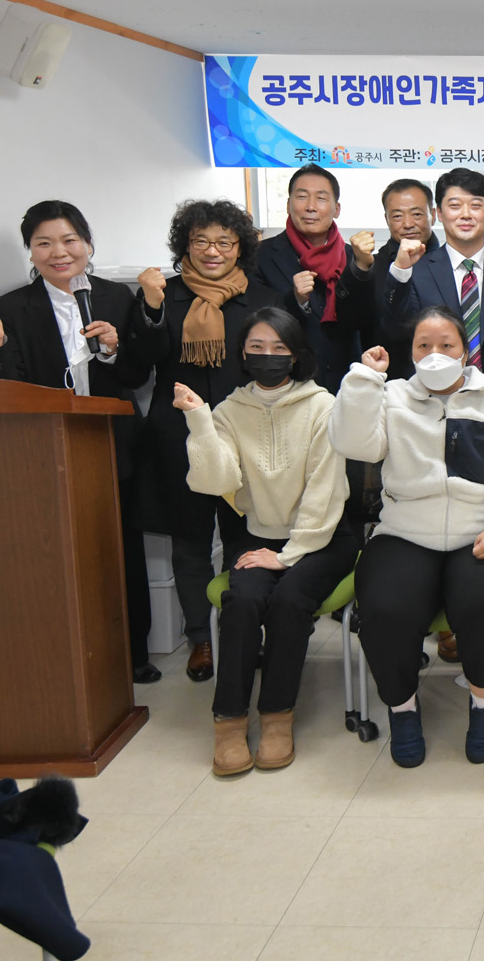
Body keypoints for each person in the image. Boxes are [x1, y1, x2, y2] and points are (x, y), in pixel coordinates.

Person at [329, 307, 484, 769]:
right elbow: (352, 444)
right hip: (405, 531)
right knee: (385, 608)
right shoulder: (392, 397)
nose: (435, 354)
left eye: (446, 345)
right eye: (423, 346)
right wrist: (364, 381)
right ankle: (403, 710)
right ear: (410, 353)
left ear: (465, 351)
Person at [0, 200, 160, 684]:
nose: (59, 252)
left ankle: (133, 651)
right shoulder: (11, 308)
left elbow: (137, 375)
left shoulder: (115, 297)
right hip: (48, 449)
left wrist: (114, 349)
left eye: (69, 240)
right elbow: (4, 390)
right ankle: (71, 655)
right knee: (60, 551)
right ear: (31, 252)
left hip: (112, 442)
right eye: (44, 243)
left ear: (88, 244)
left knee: (121, 547)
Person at [175, 308, 356, 776]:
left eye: (279, 348)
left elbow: (325, 490)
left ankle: (277, 716)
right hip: (257, 536)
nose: (268, 356)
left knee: (290, 600)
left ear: (295, 356)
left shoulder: (324, 406)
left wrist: (288, 555)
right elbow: (216, 481)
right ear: (242, 353)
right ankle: (229, 721)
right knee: (242, 601)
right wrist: (199, 421)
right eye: (257, 347)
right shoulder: (227, 411)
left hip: (322, 537)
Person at [383, 168, 484, 657]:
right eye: (455, 205)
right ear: (439, 214)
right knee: (446, 497)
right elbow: (393, 325)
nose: (466, 213)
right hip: (432, 413)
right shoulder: (418, 268)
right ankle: (450, 625)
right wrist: (398, 273)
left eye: (476, 204)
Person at [122, 199, 283, 682]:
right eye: (201, 242)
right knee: (191, 542)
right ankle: (201, 639)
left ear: (240, 247)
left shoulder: (262, 298)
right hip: (179, 439)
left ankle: (243, 631)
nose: (213, 251)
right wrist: (151, 310)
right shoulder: (163, 295)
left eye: (224, 242)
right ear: (185, 246)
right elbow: (137, 367)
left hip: (246, 436)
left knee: (244, 537)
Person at [250, 164, 378, 392]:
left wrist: (361, 269)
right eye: (301, 197)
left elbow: (365, 321)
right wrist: (296, 300)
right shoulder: (260, 256)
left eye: (321, 198)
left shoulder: (355, 258)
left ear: (336, 209)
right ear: (288, 205)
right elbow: (255, 323)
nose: (310, 207)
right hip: (287, 384)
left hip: (347, 383)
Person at [369, 178, 440, 381]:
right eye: (398, 216)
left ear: (433, 215)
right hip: (392, 380)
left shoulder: (449, 262)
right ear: (387, 220)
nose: (408, 224)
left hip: (446, 376)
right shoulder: (373, 266)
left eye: (417, 214)